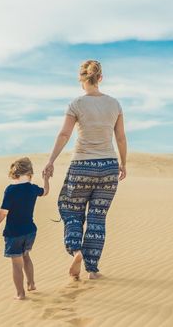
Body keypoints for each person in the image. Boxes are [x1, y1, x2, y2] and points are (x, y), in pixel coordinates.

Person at [43, 59, 127, 280]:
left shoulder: (76, 104)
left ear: (81, 79)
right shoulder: (114, 104)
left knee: (70, 210)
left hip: (82, 166)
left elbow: (64, 134)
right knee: (97, 218)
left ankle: (76, 251)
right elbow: (120, 137)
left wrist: (51, 160)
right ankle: (92, 269)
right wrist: (123, 163)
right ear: (100, 78)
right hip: (108, 167)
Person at [0, 157, 50, 300]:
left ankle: (20, 293)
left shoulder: (11, 190)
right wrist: (46, 179)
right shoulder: (33, 188)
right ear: (30, 173)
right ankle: (31, 284)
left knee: (17, 264)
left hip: (14, 233)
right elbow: (45, 191)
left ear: (14, 173)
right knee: (26, 256)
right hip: (30, 231)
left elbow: (4, 211)